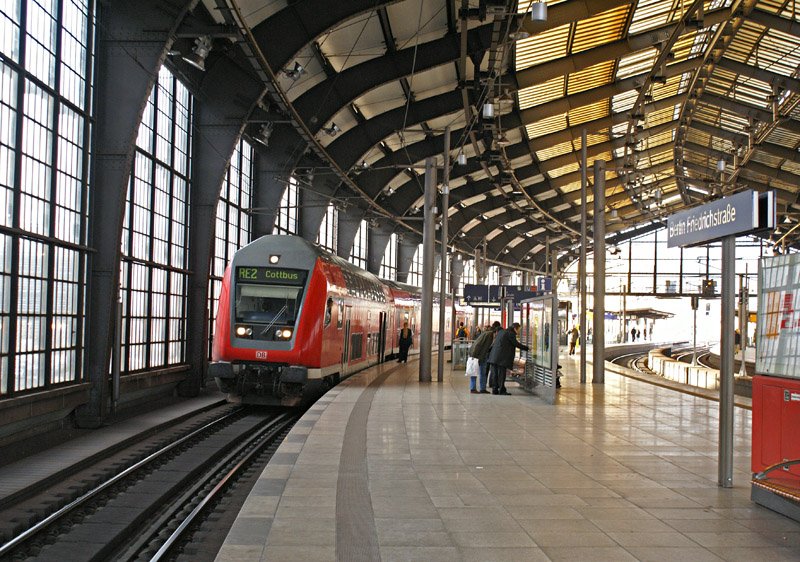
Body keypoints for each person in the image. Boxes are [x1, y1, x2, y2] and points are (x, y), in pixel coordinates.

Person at [487, 322, 529, 395]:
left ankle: (495, 390)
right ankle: (502, 390)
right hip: (501, 358)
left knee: (495, 374)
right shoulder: (510, 333)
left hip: (494, 356)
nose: (519, 331)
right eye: (519, 329)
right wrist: (527, 348)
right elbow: (516, 344)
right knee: (501, 374)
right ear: (515, 328)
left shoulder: (502, 332)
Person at [468, 321, 501, 394]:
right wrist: (474, 356)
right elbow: (478, 344)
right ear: (496, 332)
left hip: (483, 356)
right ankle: (473, 388)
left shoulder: (489, 334)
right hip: (477, 355)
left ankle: (483, 388)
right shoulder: (489, 335)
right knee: (474, 371)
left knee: (483, 372)